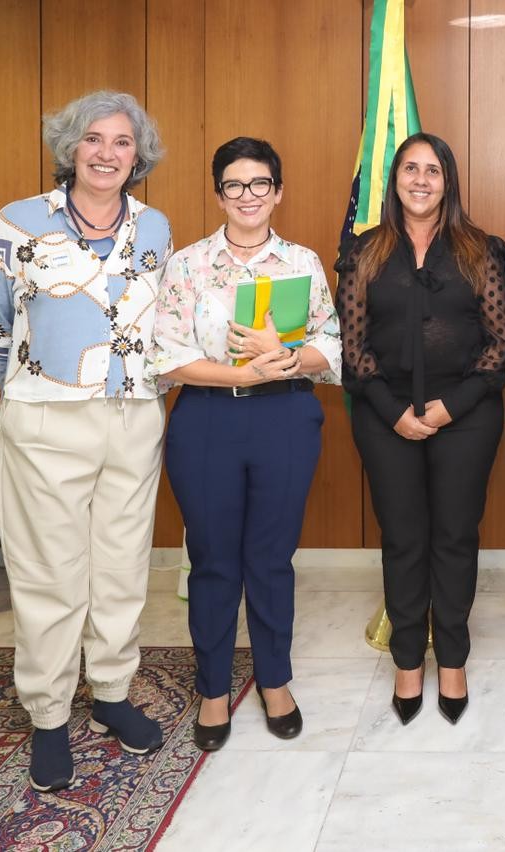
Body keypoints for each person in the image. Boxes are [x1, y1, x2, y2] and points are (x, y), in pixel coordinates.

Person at [0, 90, 170, 792]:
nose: (107, 153)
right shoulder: (17, 223)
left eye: (122, 142)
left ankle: (112, 693)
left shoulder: (155, 227)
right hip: (47, 419)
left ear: (137, 155)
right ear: (70, 147)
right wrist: (36, 380)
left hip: (134, 415)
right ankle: (50, 715)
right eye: (93, 139)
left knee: (121, 567)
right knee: (49, 574)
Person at [152, 137, 342, 750]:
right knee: (212, 559)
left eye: (260, 183)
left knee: (270, 557)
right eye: (234, 185)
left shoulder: (302, 262)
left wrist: (284, 357)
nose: (248, 195)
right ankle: (212, 688)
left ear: (277, 192)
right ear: (219, 195)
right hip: (208, 419)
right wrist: (242, 373)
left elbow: (331, 344)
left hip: (285, 417)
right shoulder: (187, 265)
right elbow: (168, 355)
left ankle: (274, 681)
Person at [337, 133, 505, 726]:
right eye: (410, 169)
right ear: (395, 180)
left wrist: (447, 408)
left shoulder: (480, 250)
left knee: (455, 536)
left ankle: (454, 658)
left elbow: (500, 345)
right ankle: (408, 659)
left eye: (432, 170)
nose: (420, 180)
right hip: (384, 414)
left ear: (448, 182)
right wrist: (395, 412)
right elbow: (352, 347)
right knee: (404, 538)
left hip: (466, 414)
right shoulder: (364, 251)